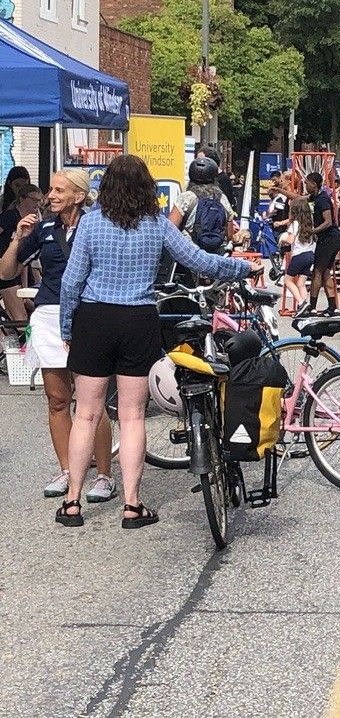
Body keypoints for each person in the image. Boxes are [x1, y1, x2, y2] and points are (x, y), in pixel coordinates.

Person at [56, 155, 261, 527]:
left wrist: (67, 328)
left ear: (107, 187)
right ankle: (132, 505)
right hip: (138, 319)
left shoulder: (90, 223)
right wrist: (244, 267)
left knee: (86, 413)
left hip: (94, 317)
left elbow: (71, 283)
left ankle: (72, 503)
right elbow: (200, 261)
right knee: (132, 415)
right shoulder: (156, 225)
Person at [0, 169, 116, 501]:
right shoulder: (44, 228)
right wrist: (17, 239)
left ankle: (104, 475)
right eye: (50, 190)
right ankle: (67, 469)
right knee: (57, 399)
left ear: (79, 195)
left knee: (91, 401)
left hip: (87, 313)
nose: (50, 195)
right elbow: (6, 273)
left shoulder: (97, 226)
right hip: (49, 315)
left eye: (58, 190)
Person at [0, 182, 43, 320]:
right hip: (6, 273)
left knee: (22, 315)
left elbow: (26, 260)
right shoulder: (9, 217)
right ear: (22, 199)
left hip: (19, 270)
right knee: (20, 319)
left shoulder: (32, 222)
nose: (37, 204)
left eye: (39, 200)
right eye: (34, 199)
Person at [305, 172, 340, 315]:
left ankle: (312, 307)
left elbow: (328, 222)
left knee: (317, 272)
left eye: (307, 183)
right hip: (328, 238)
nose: (305, 185)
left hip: (329, 238)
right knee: (326, 273)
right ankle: (333, 307)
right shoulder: (315, 197)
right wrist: (281, 191)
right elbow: (299, 198)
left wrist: (313, 231)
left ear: (314, 184)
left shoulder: (323, 199)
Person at [281, 197, 316, 311]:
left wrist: (283, 239)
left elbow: (290, 240)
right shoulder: (309, 223)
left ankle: (301, 303)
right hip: (309, 254)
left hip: (299, 255)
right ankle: (305, 305)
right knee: (301, 283)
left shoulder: (295, 224)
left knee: (287, 280)